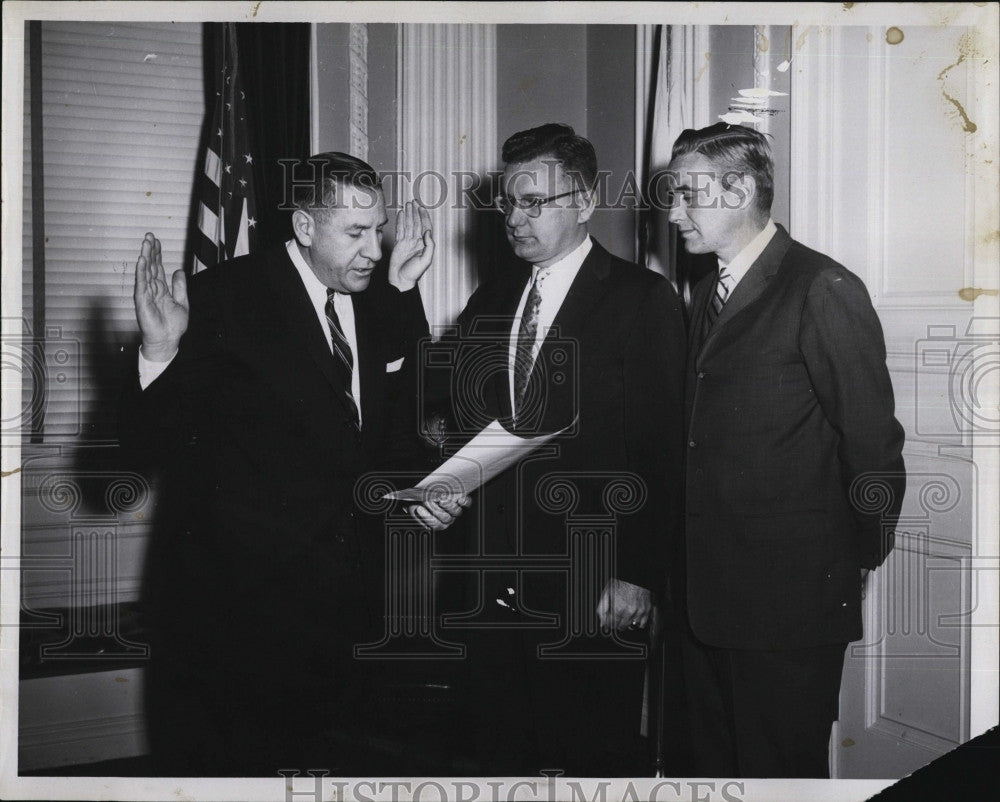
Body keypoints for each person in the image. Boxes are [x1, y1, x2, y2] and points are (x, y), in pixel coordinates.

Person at [119, 152, 469, 776]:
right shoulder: (224, 297)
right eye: (355, 233)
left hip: (346, 609)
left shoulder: (378, 294)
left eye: (378, 230)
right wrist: (159, 350)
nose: (373, 248)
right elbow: (149, 449)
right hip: (239, 618)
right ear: (305, 226)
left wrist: (421, 489)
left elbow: (393, 427)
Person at [438, 123, 687, 775]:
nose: (515, 219)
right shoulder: (490, 299)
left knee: (587, 760)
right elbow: (465, 426)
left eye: (534, 203)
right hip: (490, 584)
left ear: (583, 202)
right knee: (498, 758)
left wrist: (637, 573)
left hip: (590, 584)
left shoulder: (642, 300)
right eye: (508, 204)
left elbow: (660, 451)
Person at [666, 123, 906, 778]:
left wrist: (856, 556)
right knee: (713, 771)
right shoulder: (704, 294)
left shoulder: (821, 289)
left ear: (741, 188)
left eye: (689, 194)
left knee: (779, 774)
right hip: (705, 600)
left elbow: (874, 445)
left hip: (789, 607)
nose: (673, 211)